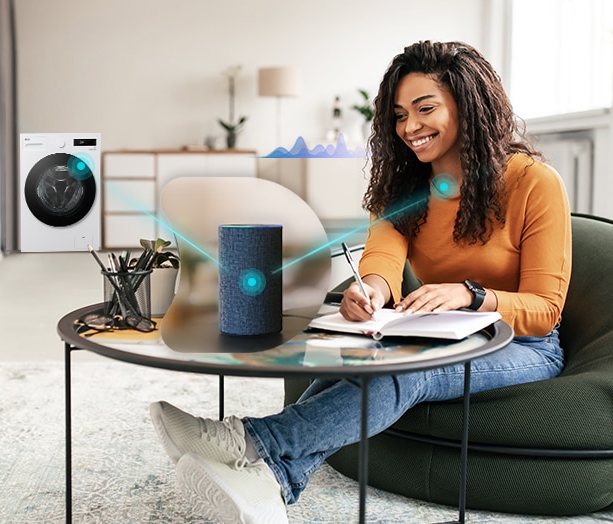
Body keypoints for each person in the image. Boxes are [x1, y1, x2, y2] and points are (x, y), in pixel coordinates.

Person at [149, 40, 572, 523]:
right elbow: (384, 259)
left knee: (405, 370)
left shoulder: (534, 182)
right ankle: (273, 484)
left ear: (469, 104)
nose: (410, 127)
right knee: (348, 353)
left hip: (521, 345)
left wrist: (471, 294)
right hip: (436, 330)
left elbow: (545, 310)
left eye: (425, 108)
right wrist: (369, 290)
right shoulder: (404, 187)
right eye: (398, 115)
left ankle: (246, 440)